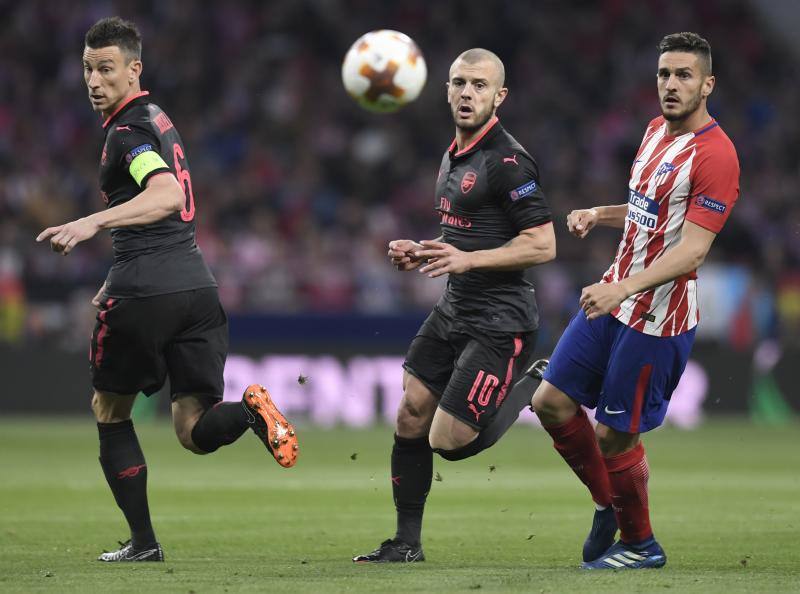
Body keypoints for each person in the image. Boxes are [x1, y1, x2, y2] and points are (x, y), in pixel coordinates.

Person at [35, 17, 299, 562]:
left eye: (106, 69)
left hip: (146, 292)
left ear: (135, 69)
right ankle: (251, 413)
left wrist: (92, 223)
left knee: (109, 411)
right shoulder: (157, 117)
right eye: (87, 68)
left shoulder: (127, 131)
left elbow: (167, 196)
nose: (93, 80)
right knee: (192, 428)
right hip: (198, 290)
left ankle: (144, 544)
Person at [531, 32, 740, 569]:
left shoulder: (716, 155)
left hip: (656, 317)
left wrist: (623, 287)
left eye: (684, 76)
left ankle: (641, 545)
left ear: (707, 84)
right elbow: (648, 209)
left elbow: (692, 250)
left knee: (613, 437)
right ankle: (608, 504)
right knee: (549, 402)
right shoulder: (653, 131)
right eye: (664, 74)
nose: (671, 85)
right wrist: (599, 215)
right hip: (613, 298)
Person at [354, 48, 556, 563]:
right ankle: (405, 543)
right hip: (453, 309)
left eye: (479, 86)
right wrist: (420, 252)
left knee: (449, 440)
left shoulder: (508, 161)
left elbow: (542, 244)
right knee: (410, 412)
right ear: (446, 88)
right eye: (460, 83)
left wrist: (468, 261)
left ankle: (533, 380)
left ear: (499, 97)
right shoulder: (453, 154)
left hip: (501, 318)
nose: (468, 93)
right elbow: (463, 236)